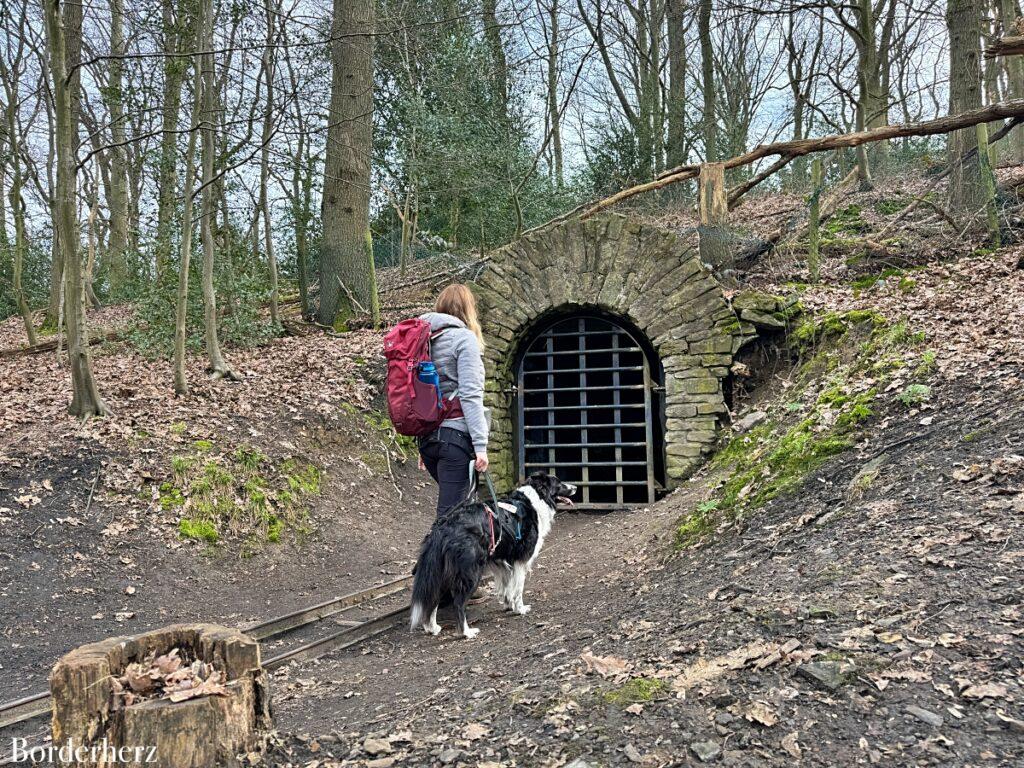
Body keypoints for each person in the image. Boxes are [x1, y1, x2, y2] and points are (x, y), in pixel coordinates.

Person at [417, 284, 489, 516]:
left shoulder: (424, 340)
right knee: (451, 518)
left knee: (460, 513)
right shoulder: (464, 339)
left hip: (429, 440)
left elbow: (422, 391)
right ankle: (432, 554)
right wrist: (480, 445)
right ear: (469, 309)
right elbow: (470, 395)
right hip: (454, 440)